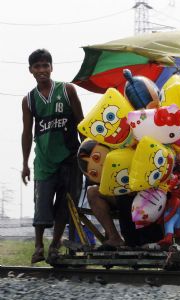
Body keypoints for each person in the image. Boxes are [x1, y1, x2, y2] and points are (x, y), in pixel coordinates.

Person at [21, 49, 84, 264]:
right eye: (37, 66)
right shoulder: (29, 99)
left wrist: (87, 154)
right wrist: (25, 163)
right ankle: (38, 246)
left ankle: (55, 245)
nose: (41, 70)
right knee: (42, 204)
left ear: (51, 67)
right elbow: (27, 132)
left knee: (66, 205)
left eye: (45, 65)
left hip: (70, 157)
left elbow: (81, 122)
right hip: (44, 161)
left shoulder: (67, 91)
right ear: (31, 70)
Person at [86, 186, 163, 249]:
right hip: (121, 188)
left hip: (152, 189)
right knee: (93, 192)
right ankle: (114, 238)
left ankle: (161, 239)